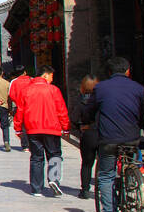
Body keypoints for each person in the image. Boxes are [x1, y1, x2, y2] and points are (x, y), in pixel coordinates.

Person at [91, 57, 144, 212]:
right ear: (128, 71)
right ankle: (134, 185)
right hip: (131, 139)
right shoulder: (139, 89)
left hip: (108, 139)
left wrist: (87, 121)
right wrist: (141, 126)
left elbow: (90, 109)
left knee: (106, 175)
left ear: (109, 72)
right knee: (131, 162)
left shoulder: (100, 88)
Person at [21, 65, 70, 197]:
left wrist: (18, 128)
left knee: (37, 157)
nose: (52, 80)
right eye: (51, 76)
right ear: (45, 75)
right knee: (54, 155)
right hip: (51, 129)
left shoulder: (27, 90)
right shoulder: (53, 90)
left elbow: (21, 110)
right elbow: (61, 110)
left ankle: (36, 188)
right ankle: (54, 179)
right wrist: (65, 127)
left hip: (33, 129)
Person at [75, 73, 100, 199]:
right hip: (102, 133)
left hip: (88, 133)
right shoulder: (102, 98)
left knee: (86, 163)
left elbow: (74, 118)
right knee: (104, 162)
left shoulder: (81, 100)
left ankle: (85, 190)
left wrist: (79, 129)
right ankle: (103, 187)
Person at [8, 65, 32, 150]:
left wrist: (16, 102)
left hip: (19, 106)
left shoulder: (14, 82)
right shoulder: (31, 80)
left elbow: (11, 95)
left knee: (22, 125)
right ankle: (32, 143)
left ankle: (25, 145)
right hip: (31, 106)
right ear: (25, 72)